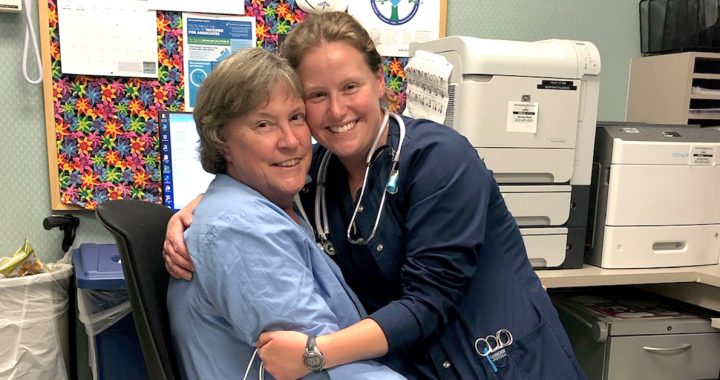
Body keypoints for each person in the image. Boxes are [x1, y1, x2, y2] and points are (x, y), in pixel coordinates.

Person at [164, 12, 587, 380]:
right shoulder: (316, 175)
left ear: (380, 82)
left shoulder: (440, 159)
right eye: (315, 96)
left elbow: (428, 302)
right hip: (412, 366)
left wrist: (314, 354)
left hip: (498, 361)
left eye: (350, 87)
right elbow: (248, 189)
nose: (336, 110)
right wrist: (195, 210)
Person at [165, 47, 404, 380]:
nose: (291, 141)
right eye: (264, 124)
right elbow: (328, 371)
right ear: (222, 142)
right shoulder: (244, 231)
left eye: (296, 117)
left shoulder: (269, 206)